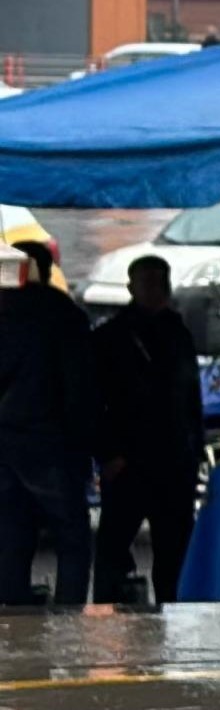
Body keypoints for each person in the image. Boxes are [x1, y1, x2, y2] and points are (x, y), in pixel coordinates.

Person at [90, 253, 204, 606]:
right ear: (131, 288)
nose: (156, 291)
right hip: (128, 464)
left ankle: (171, 620)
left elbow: (191, 398)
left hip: (173, 462)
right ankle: (105, 624)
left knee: (174, 554)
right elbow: (92, 402)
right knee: (112, 550)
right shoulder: (110, 338)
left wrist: (193, 452)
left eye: (162, 283)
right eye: (148, 283)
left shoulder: (178, 332)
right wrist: (108, 455)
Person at [0, 240, 98, 608]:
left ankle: (12, 612)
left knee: (11, 533)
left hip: (6, 442)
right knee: (72, 536)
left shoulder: (3, 311)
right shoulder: (63, 314)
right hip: (51, 444)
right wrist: (85, 446)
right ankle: (69, 612)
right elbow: (80, 386)